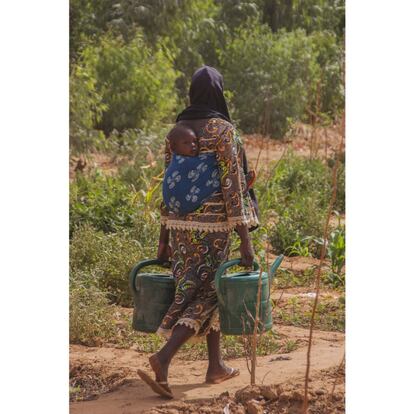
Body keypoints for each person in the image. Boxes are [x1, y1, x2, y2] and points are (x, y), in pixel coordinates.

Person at [137, 66, 259, 399]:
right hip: (214, 228)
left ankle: (215, 365)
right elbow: (232, 186)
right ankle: (164, 357)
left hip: (179, 228)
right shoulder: (222, 131)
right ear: (218, 92)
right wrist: (245, 238)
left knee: (193, 287)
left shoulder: (176, 130)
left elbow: (168, 187)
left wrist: (163, 239)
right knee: (209, 293)